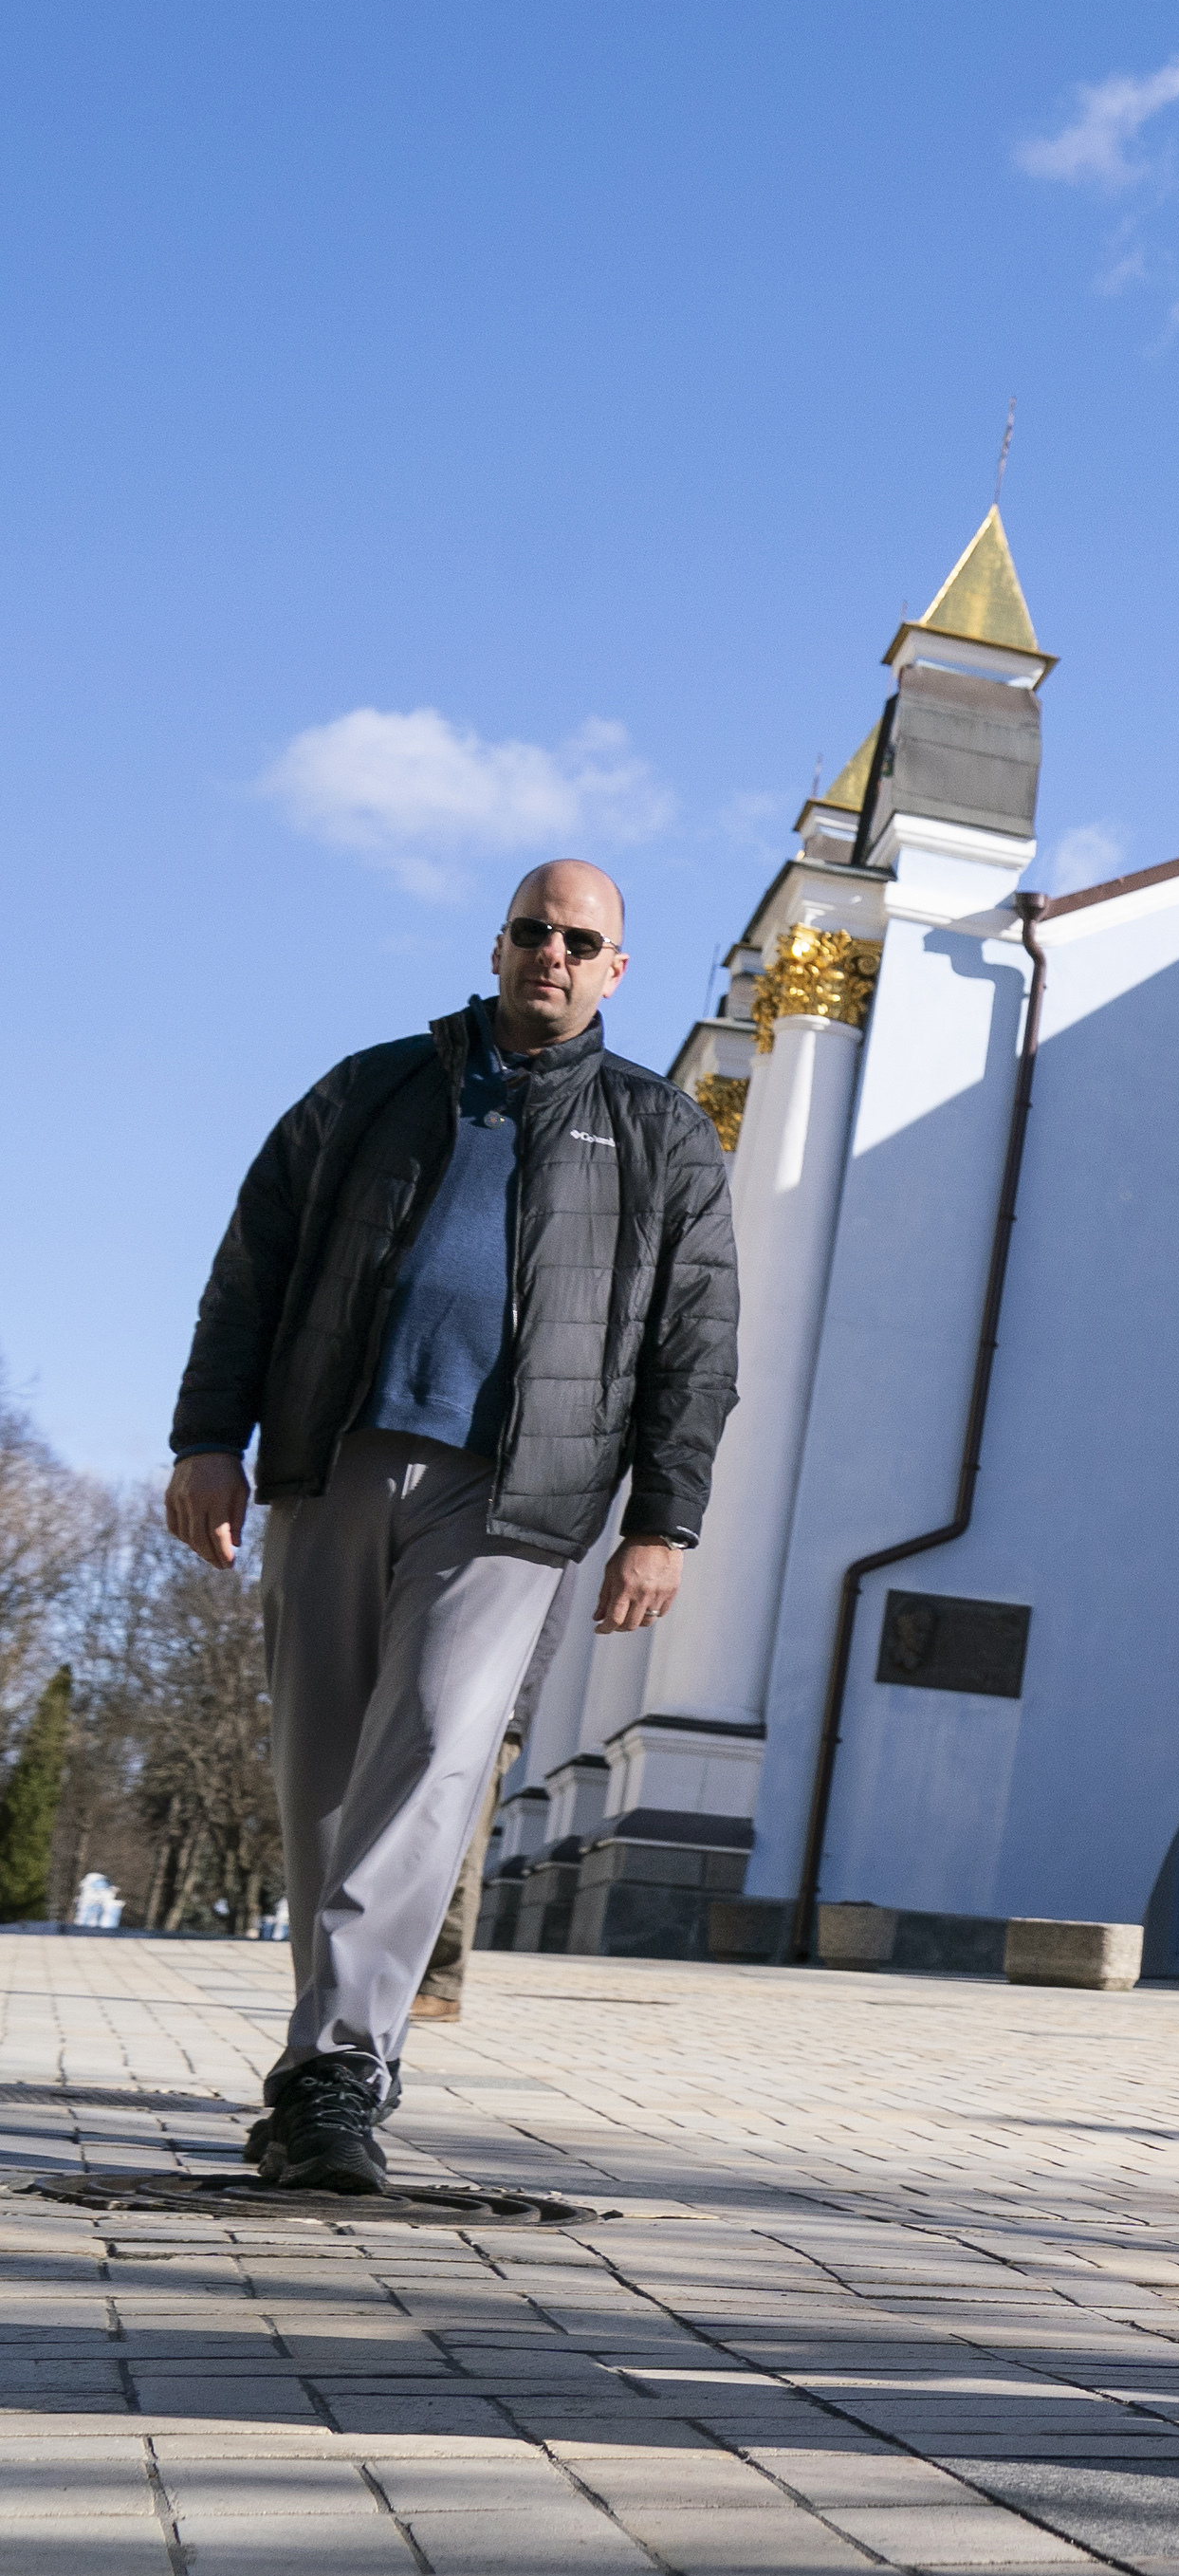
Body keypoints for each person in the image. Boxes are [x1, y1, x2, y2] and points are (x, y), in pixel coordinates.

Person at [164, 862, 737, 2191]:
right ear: (498, 945)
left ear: (615, 971)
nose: (552, 952)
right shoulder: (372, 1090)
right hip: (330, 1461)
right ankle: (328, 2064)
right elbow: (250, 1266)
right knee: (322, 1780)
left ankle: (339, 2070)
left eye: (579, 939)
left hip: (515, 1498)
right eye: (532, 930)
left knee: (429, 1763)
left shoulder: (660, 1135)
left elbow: (697, 1344)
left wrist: (666, 1518)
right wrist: (208, 1440)